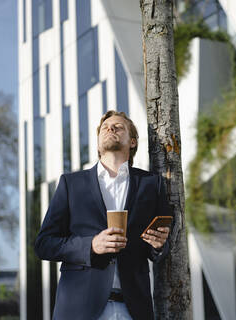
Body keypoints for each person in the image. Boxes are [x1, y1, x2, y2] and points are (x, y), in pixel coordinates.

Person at [34, 110, 172, 320]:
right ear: (98, 144)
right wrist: (91, 246)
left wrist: (159, 244)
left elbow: (158, 248)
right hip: (78, 310)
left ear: (132, 142)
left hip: (133, 310)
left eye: (118, 127)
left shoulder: (152, 184)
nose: (110, 129)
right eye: (105, 128)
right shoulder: (71, 184)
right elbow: (44, 244)